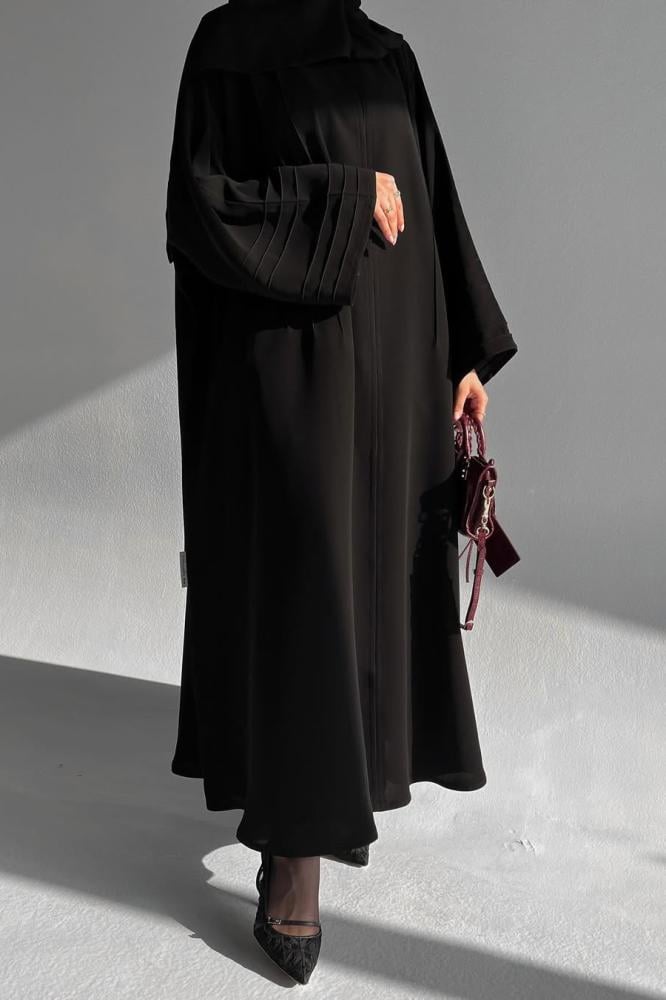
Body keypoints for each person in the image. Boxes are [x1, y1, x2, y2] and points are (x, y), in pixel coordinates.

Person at [164, 0, 517, 984]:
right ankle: (295, 851)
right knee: (307, 588)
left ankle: (344, 793)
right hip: (286, 369)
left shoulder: (384, 52)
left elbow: (432, 197)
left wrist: (464, 350)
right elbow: (201, 207)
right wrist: (338, 197)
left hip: (399, 365)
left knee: (373, 583)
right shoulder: (229, 45)